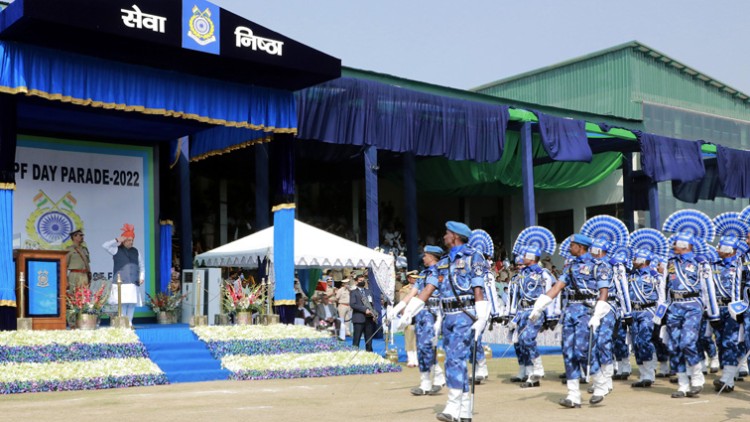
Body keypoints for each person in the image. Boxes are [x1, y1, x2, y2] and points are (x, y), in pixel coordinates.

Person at [398, 221, 489, 422]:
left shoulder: (474, 256)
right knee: (455, 361)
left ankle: (453, 407)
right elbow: (428, 288)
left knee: (454, 360)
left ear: (455, 236)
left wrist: (482, 316)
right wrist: (409, 311)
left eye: (447, 233)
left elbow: (478, 288)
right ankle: (465, 410)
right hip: (448, 316)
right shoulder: (445, 262)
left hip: (464, 315)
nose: (444, 236)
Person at [530, 233, 610, 408]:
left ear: (581, 247)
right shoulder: (570, 266)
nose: (569, 247)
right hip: (571, 311)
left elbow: (604, 292)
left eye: (572, 245)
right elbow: (557, 287)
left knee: (583, 350)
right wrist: (540, 305)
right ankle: (573, 395)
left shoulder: (599, 265)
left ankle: (600, 384)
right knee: (568, 352)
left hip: (587, 310)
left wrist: (598, 314)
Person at [657, 209, 717, 398]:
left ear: (685, 246)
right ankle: (683, 383)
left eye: (676, 244)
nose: (673, 246)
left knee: (688, 341)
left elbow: (708, 288)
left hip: (693, 305)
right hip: (674, 306)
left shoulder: (701, 263)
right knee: (674, 345)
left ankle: (697, 378)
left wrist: (712, 313)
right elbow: (663, 288)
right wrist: (660, 312)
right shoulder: (669, 262)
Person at [389, 246, 446, 396]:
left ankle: (431, 380)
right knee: (422, 348)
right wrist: (397, 308)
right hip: (421, 314)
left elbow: (427, 293)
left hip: (433, 314)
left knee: (427, 346)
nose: (423, 258)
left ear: (433, 257)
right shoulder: (424, 273)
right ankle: (430, 380)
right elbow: (412, 294)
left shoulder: (438, 272)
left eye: (426, 255)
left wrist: (408, 311)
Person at [507, 234, 559, 389]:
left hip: (536, 310)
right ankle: (531, 375)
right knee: (522, 341)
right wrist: (513, 315)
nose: (521, 258)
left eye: (524, 255)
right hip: (522, 311)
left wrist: (550, 315)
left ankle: (538, 369)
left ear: (531, 257)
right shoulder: (521, 275)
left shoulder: (543, 273)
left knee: (528, 338)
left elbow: (550, 293)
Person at [626, 228, 669, 388]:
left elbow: (661, 297)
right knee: (636, 343)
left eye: (637, 258)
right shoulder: (630, 276)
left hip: (648, 311)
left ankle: (649, 375)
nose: (634, 260)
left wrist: (659, 316)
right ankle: (643, 374)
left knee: (645, 341)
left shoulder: (655, 276)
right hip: (634, 311)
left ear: (644, 260)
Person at [102, 223, 144, 325]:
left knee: (131, 304)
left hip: (133, 282)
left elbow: (142, 266)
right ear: (123, 240)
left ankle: (129, 323)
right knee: (122, 304)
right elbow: (104, 245)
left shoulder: (136, 251)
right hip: (120, 282)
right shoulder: (116, 249)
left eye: (132, 240)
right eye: (129, 240)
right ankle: (122, 323)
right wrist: (116, 240)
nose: (131, 242)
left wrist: (142, 277)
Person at [350, 272, 377, 351]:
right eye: (360, 280)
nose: (362, 281)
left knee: (369, 339)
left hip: (369, 319)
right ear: (356, 282)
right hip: (358, 318)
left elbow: (372, 304)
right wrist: (364, 310)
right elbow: (353, 304)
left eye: (363, 280)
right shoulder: (353, 292)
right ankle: (354, 354)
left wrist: (373, 314)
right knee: (356, 339)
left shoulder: (369, 291)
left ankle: (369, 354)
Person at [400, 270, 420, 367]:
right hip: (409, 314)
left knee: (418, 336)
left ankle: (417, 358)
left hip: (419, 314)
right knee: (409, 337)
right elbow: (402, 303)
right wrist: (404, 315)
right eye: (413, 278)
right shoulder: (404, 289)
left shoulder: (421, 287)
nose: (415, 280)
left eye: (416, 278)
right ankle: (410, 358)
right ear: (408, 278)